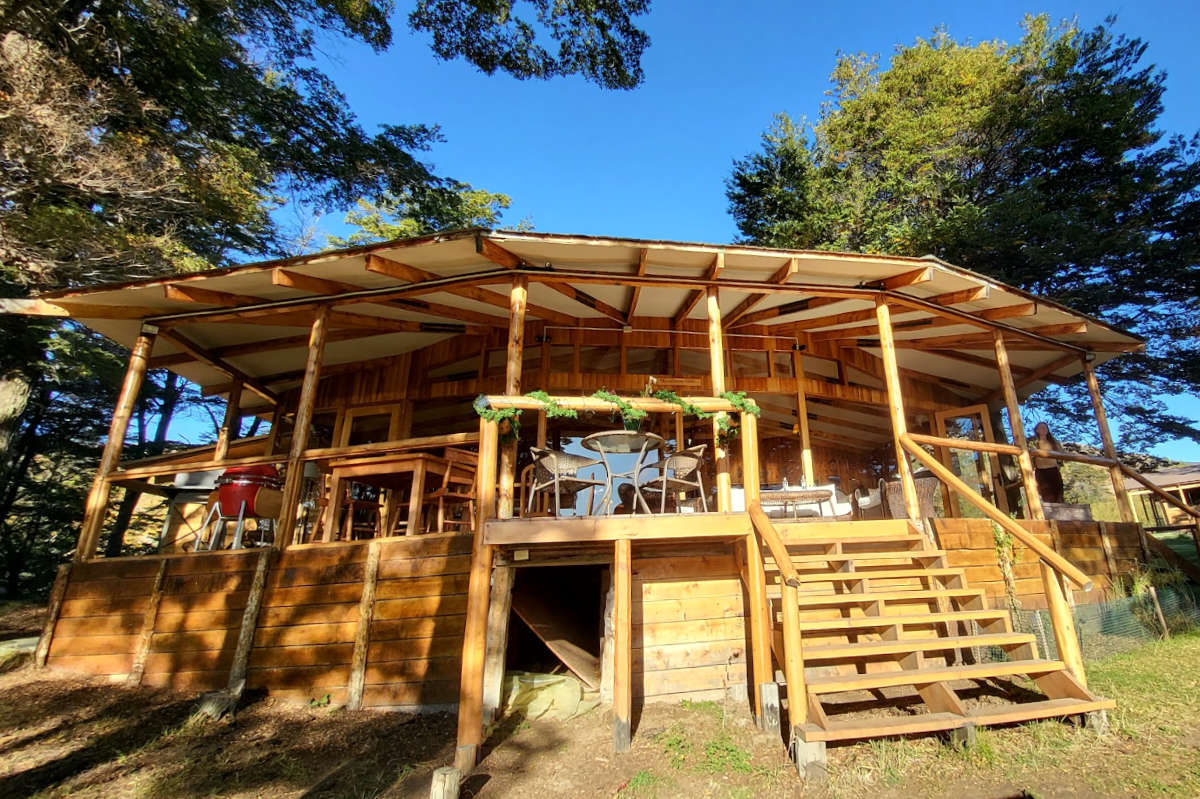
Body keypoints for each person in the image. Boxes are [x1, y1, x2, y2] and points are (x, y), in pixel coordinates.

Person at [1031, 422, 1065, 504]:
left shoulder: (1054, 442)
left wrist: (1059, 464)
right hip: (1041, 470)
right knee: (1045, 493)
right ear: (1037, 430)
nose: (1044, 429)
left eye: (1045, 428)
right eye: (1041, 428)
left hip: (1053, 469)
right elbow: (1030, 456)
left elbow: (1061, 454)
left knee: (1058, 492)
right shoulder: (1034, 443)